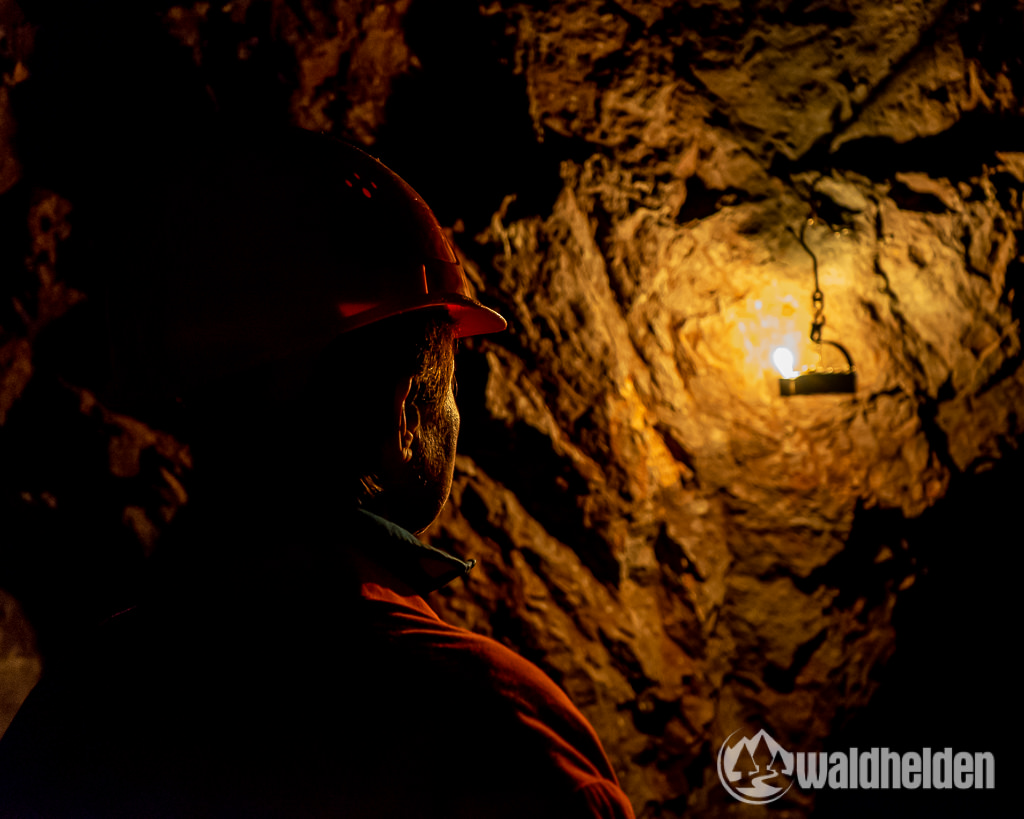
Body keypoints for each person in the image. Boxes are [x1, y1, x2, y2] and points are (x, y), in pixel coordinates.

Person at [0, 128, 635, 818]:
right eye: (451, 382)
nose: (455, 414)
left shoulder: (81, 701)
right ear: (405, 413)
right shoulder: (487, 726)